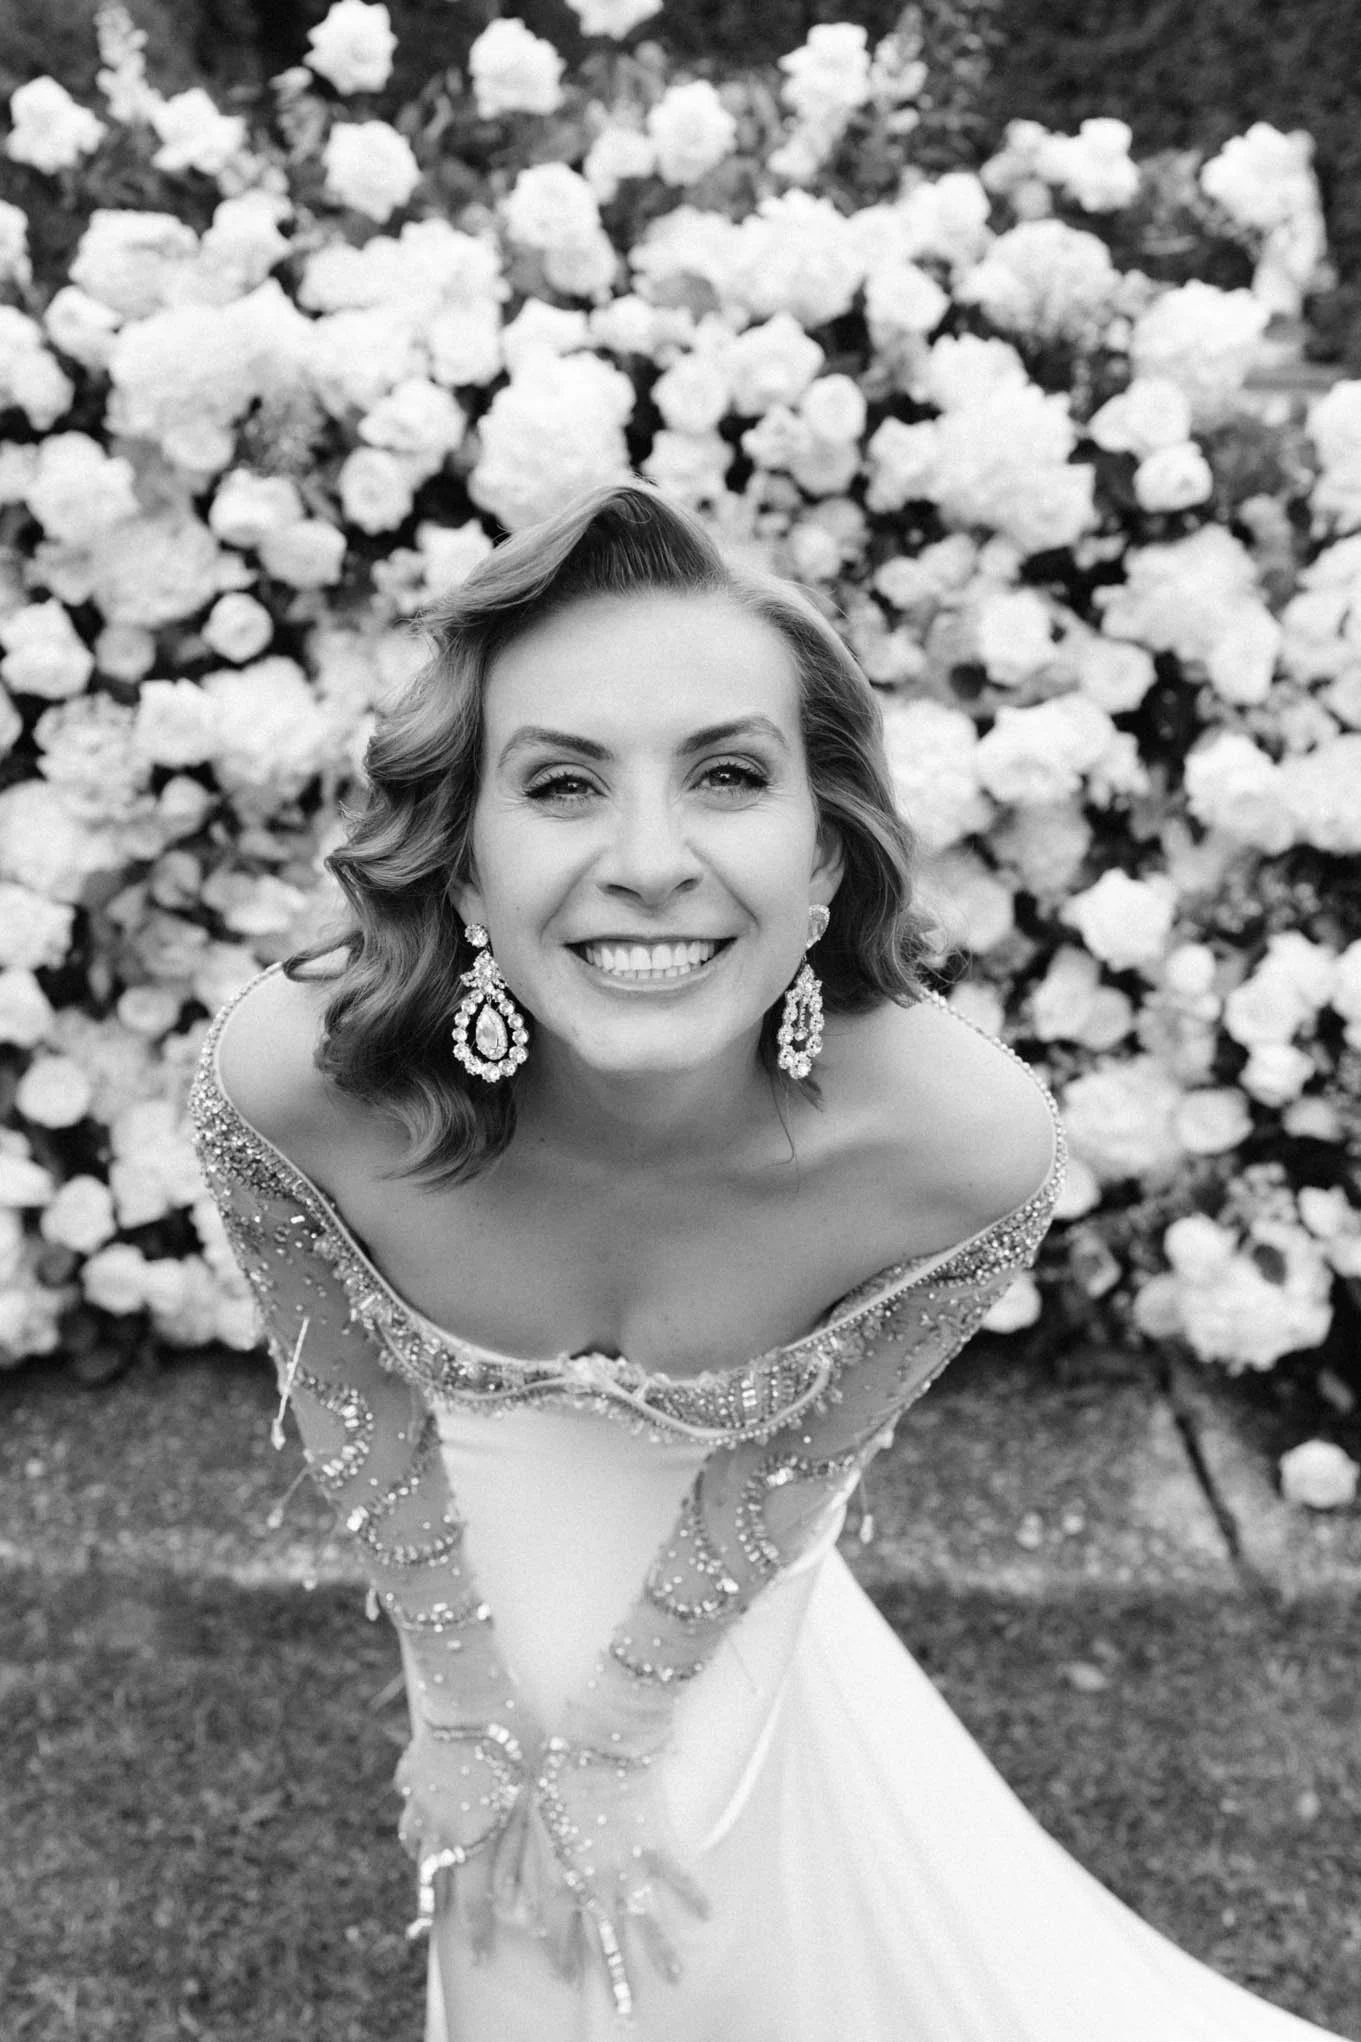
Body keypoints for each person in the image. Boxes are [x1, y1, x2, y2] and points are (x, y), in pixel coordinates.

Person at [190, 481, 1345, 2041]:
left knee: (672, 1872)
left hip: (739, 1531)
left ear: (821, 858)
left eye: (727, 775)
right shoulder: (291, 1077)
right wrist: (459, 1701)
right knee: (500, 1881)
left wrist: (616, 1730)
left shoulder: (963, 1142)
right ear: (463, 864)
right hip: (464, 1518)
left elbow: (801, 1459)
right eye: (564, 784)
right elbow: (355, 1406)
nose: (651, 859)